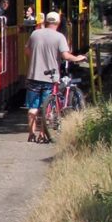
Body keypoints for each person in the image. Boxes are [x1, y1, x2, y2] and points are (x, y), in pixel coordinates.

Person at [24, 11, 86, 142]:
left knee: (33, 108)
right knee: (46, 107)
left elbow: (27, 50)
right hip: (50, 77)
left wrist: (36, 58)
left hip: (33, 75)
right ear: (58, 23)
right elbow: (65, 55)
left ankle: (31, 134)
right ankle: (42, 134)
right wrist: (77, 58)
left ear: (46, 21)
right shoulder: (59, 37)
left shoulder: (35, 34)